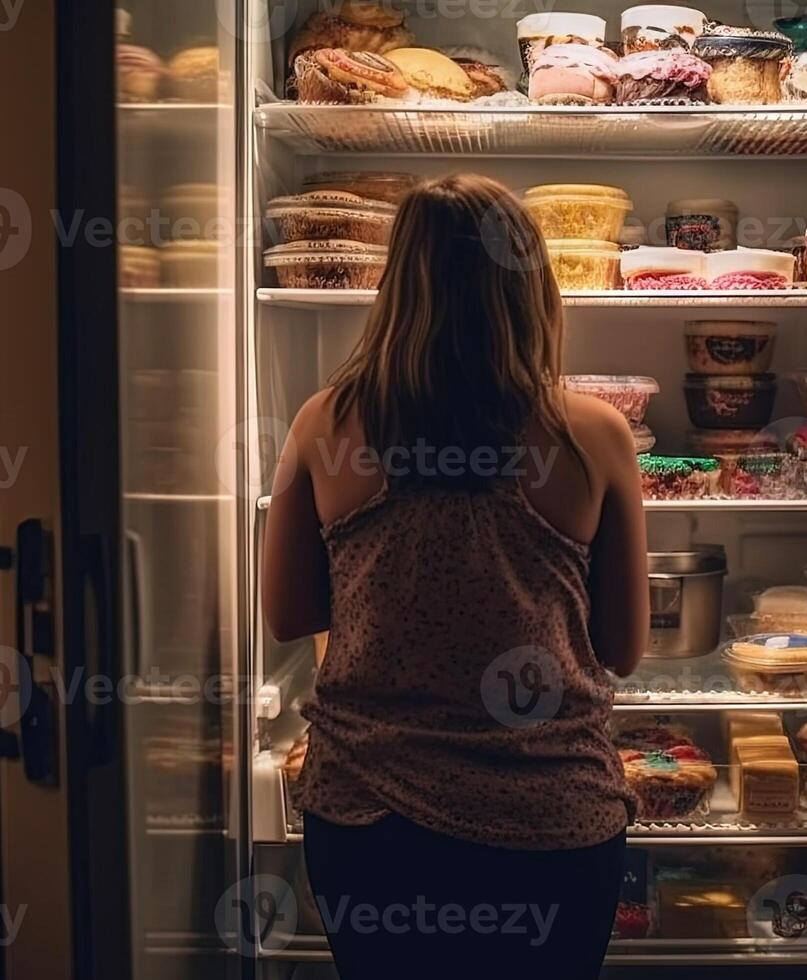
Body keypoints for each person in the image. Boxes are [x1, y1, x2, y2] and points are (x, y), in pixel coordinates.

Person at [261, 173, 647, 978]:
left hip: (370, 816)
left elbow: (290, 613)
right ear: (531, 285)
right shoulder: (593, 435)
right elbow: (622, 647)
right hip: (552, 816)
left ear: (399, 282)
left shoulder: (325, 420)